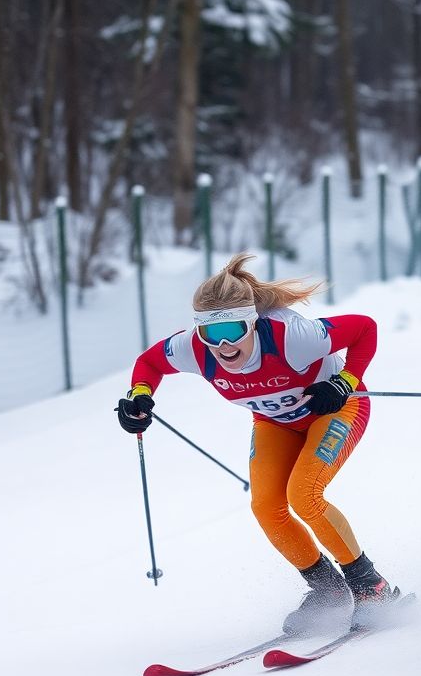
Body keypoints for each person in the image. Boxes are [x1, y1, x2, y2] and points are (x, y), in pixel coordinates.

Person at [115, 253, 399, 633]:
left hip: (335, 410)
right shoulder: (193, 349)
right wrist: (139, 396)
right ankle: (328, 590)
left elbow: (364, 328)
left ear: (252, 322)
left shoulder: (292, 338)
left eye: (233, 330)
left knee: (304, 495)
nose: (223, 345)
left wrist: (343, 382)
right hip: (275, 422)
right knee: (266, 506)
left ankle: (370, 586)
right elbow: (149, 363)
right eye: (211, 333)